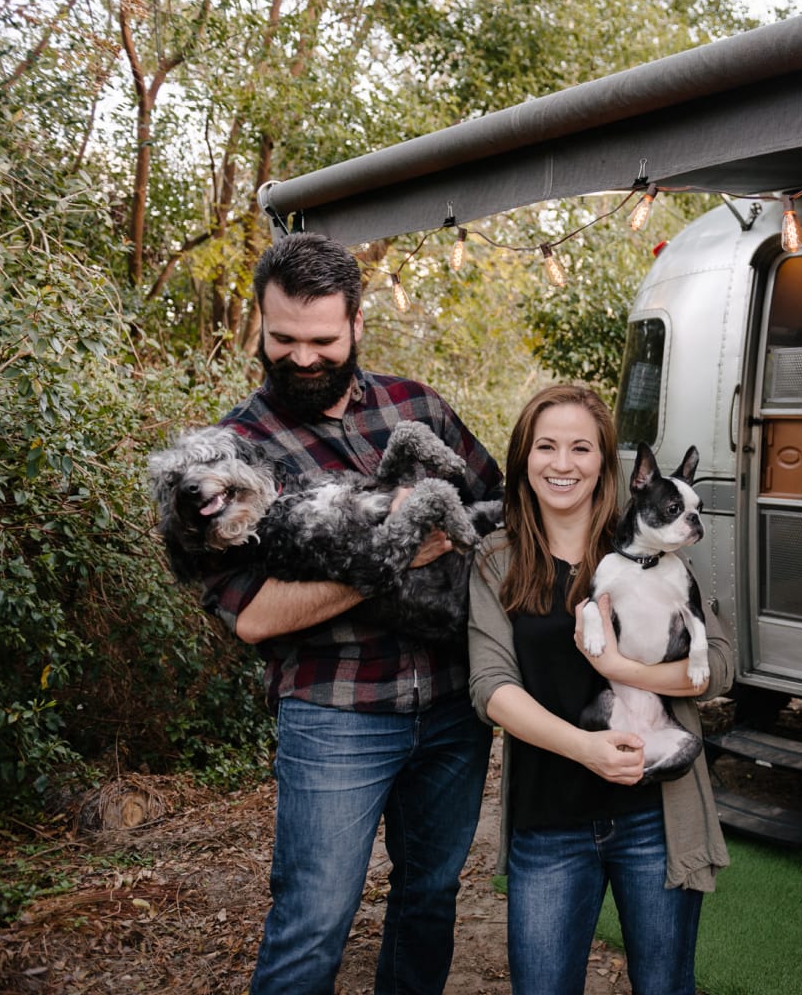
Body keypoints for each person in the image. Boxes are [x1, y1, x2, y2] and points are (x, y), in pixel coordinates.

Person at [198, 232, 503, 994]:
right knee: (313, 923)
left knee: (429, 900)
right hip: (337, 713)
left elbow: (494, 509)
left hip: (451, 707)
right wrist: (393, 554)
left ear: (358, 324)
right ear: (260, 328)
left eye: (323, 340)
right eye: (283, 339)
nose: (302, 358)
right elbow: (255, 616)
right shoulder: (232, 455)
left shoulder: (418, 406)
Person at [467, 384, 732, 995]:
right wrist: (584, 748)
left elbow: (717, 664)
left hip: (654, 814)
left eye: (581, 448)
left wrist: (623, 668)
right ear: (523, 459)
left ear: (607, 462)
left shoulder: (648, 546)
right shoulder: (497, 558)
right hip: (549, 818)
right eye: (546, 447)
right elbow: (491, 686)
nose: (563, 464)